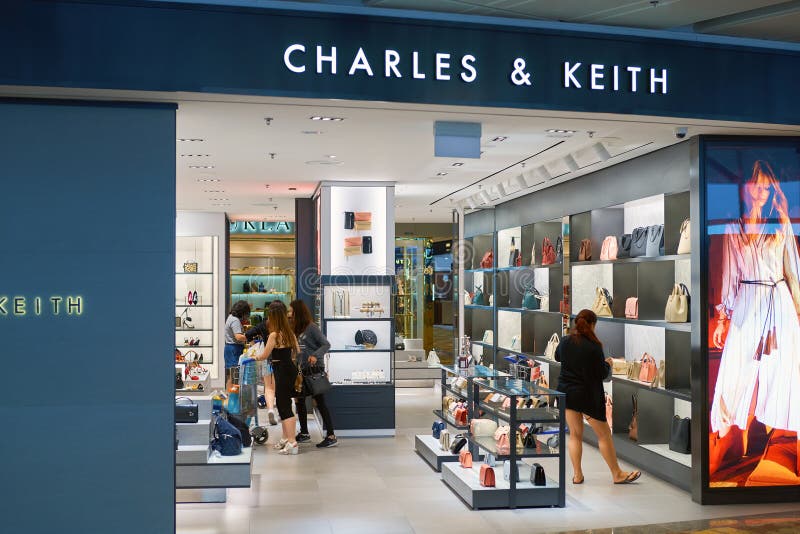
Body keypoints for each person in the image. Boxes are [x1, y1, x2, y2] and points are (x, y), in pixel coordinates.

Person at [710, 160, 800, 475]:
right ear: (747, 187)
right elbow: (730, 275)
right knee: (735, 373)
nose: (761, 191)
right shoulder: (735, 227)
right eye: (756, 184)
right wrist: (723, 318)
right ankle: (730, 439)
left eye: (767, 185)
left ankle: (784, 443)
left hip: (778, 307)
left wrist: (799, 312)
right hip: (748, 304)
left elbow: (793, 271)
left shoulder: (781, 223)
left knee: (781, 374)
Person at [555, 309, 641, 484]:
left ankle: (577, 475)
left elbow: (558, 357)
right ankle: (616, 473)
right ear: (592, 325)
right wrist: (607, 364)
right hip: (588, 396)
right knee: (604, 435)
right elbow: (601, 374)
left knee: (574, 435)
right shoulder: (594, 347)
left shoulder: (565, 341)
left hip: (568, 393)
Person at [254, 303, 301, 455]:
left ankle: (292, 442)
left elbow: (264, 355)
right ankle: (287, 438)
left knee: (284, 406)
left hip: (281, 370)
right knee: (284, 404)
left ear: (273, 317)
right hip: (289, 369)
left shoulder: (274, 335)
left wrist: (255, 356)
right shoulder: (289, 333)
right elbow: (297, 351)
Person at [289, 299, 338, 448]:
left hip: (314, 370)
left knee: (320, 401)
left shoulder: (311, 328)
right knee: (299, 400)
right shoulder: (296, 328)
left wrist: (315, 356)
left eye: (291, 311)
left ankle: (331, 435)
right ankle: (304, 433)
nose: (289, 314)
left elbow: (326, 344)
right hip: (301, 371)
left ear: (298, 312)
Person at [245, 307, 280, 426]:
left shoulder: (263, 325)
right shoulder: (283, 326)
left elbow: (248, 334)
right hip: (280, 360)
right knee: (278, 388)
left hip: (266, 359)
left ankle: (270, 410)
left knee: (268, 387)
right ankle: (281, 411)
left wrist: (253, 345)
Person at [224, 300, 250, 390]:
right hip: (234, 349)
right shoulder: (235, 320)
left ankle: (230, 397)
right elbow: (238, 337)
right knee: (235, 376)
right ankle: (233, 398)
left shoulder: (230, 317)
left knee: (231, 376)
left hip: (230, 349)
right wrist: (249, 337)